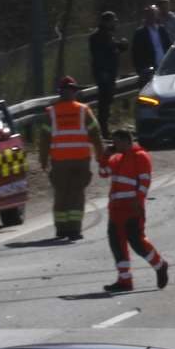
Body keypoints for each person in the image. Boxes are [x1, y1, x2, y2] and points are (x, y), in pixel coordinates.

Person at [99, 128, 169, 293]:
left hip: (132, 207)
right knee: (117, 244)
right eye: (113, 142)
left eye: (117, 142)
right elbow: (103, 173)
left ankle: (160, 265)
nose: (114, 145)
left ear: (126, 141)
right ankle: (125, 280)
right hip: (115, 209)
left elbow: (145, 181)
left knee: (137, 242)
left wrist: (139, 201)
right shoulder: (116, 159)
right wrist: (105, 156)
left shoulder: (140, 157)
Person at [37, 76, 105, 241]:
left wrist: (43, 160)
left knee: (62, 195)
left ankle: (62, 229)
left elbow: (44, 139)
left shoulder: (51, 113)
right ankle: (73, 229)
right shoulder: (83, 111)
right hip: (80, 161)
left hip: (60, 162)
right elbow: (96, 134)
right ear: (74, 91)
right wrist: (100, 155)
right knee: (76, 194)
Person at [89, 11, 129, 131]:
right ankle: (103, 129)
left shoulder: (108, 35)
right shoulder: (97, 36)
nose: (115, 23)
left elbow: (112, 49)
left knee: (107, 101)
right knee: (104, 102)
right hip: (104, 74)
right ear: (106, 22)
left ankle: (104, 128)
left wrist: (121, 46)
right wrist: (103, 72)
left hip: (110, 73)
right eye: (113, 21)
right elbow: (101, 55)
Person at [131, 6, 173, 81]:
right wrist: (140, 69)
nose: (151, 17)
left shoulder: (162, 30)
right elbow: (136, 52)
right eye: (149, 15)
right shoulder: (140, 33)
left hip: (164, 66)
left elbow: (169, 46)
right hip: (149, 69)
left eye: (153, 14)